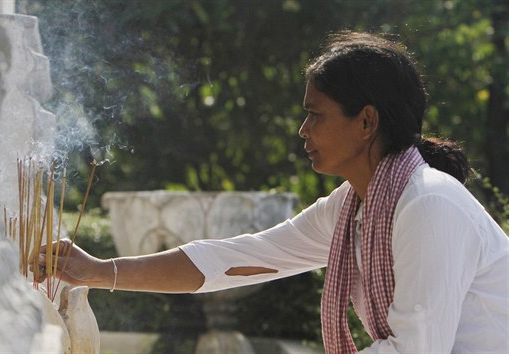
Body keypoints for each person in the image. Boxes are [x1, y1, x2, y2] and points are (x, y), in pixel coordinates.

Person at [36, 32, 509, 353]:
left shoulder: (428, 205)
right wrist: (96, 271)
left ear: (366, 121)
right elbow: (235, 258)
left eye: (316, 114)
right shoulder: (353, 207)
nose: (303, 130)